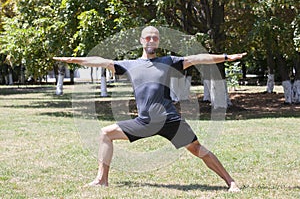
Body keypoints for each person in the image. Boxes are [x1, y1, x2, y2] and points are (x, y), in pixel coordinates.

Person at [54, 26, 246, 192]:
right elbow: (101, 61)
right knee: (106, 133)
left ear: (158, 41)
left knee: (196, 148)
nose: (151, 40)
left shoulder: (168, 61)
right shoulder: (129, 65)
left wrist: (226, 57)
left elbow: (198, 58)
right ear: (141, 41)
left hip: (169, 119)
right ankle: (101, 180)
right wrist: (73, 60)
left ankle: (231, 182)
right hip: (144, 121)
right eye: (148, 37)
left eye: (155, 37)